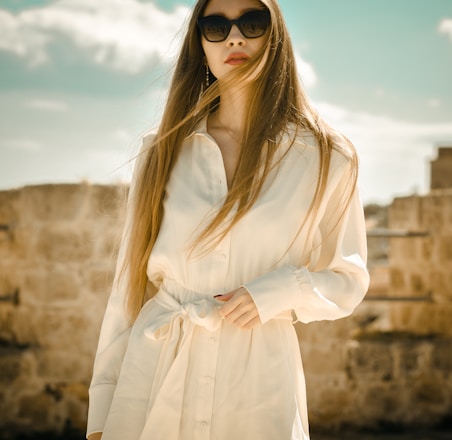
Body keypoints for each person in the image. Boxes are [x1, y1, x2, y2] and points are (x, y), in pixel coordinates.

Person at [86, 0, 369, 438]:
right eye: (215, 26)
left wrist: (277, 292)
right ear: (200, 43)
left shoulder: (328, 157)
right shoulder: (161, 149)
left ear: (276, 34)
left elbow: (348, 280)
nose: (234, 37)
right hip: (154, 374)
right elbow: (129, 288)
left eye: (252, 22)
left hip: (260, 381)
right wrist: (103, 411)